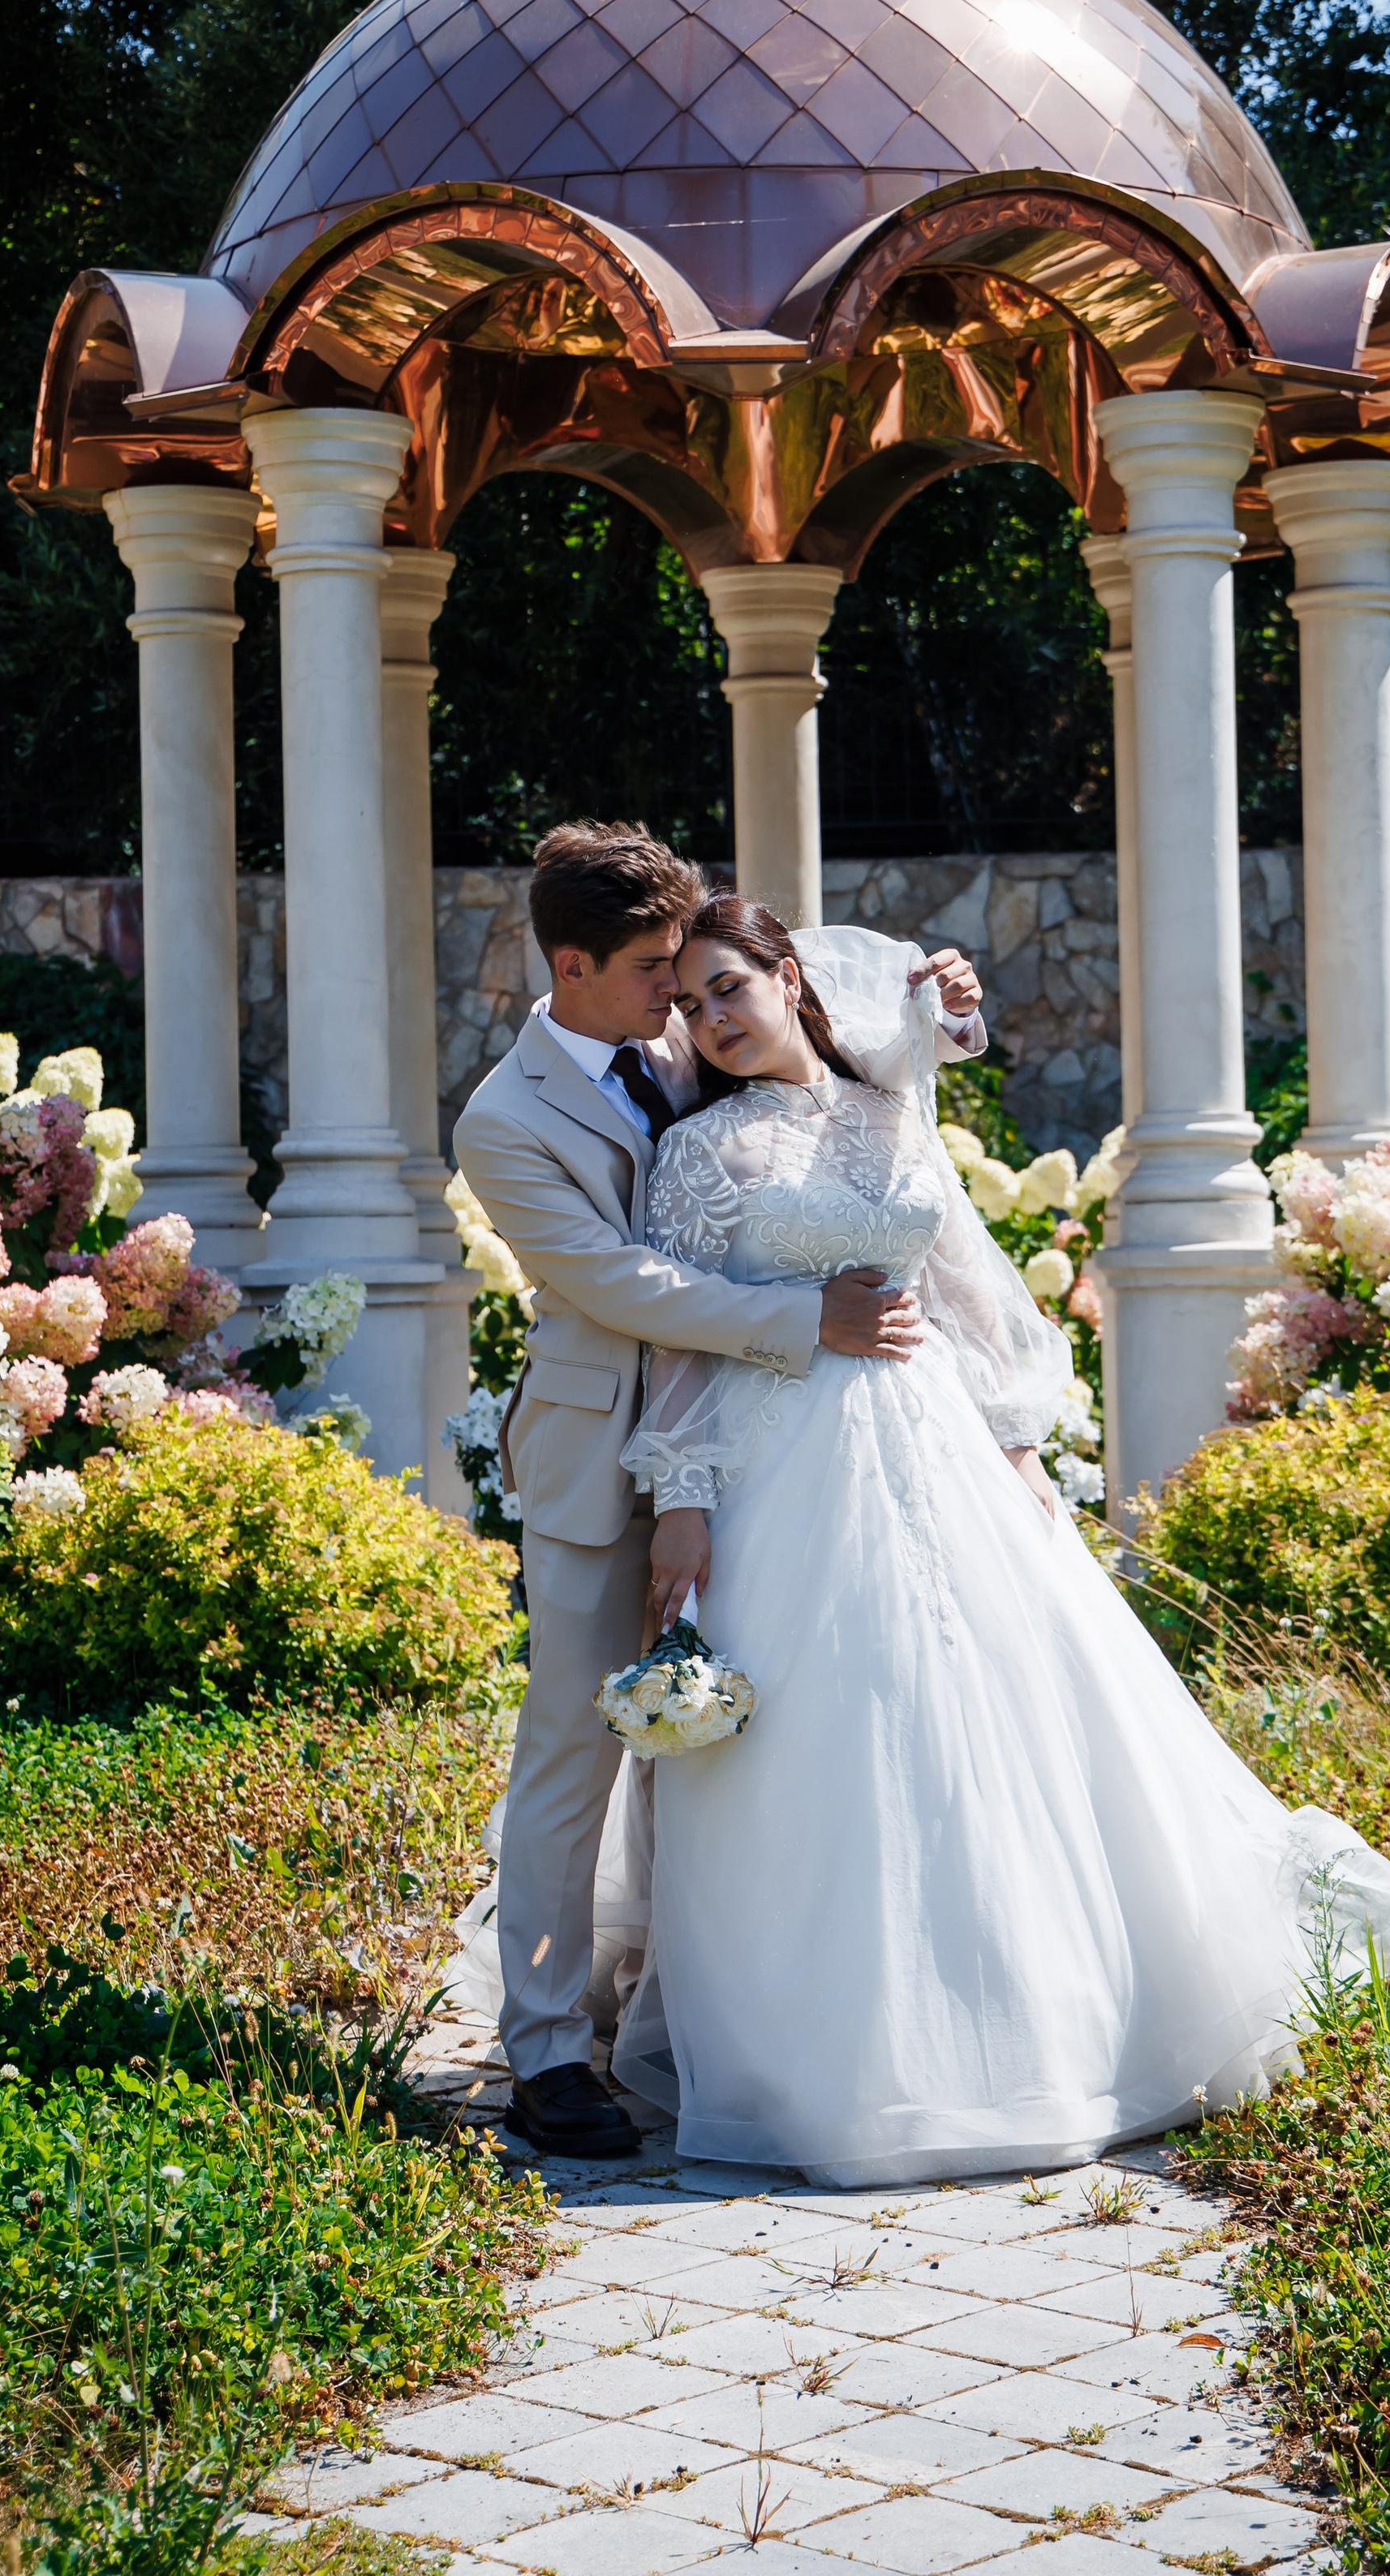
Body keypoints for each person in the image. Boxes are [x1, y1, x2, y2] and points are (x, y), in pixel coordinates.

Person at [605, 896, 1390, 2189]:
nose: (712, 1019)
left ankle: (1049, 2016)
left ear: (791, 980)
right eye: (693, 1003)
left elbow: (963, 1290)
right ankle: (828, 2062)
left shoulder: (893, 1114)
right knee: (833, 1731)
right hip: (783, 1463)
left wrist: (1017, 1447)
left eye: (731, 988)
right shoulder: (701, 1154)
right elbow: (679, 1340)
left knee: (1001, 1710)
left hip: (938, 1446)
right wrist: (683, 1502)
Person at [451, 822, 989, 2161]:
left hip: (761, 1453)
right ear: (572, 967)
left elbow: (839, 1075)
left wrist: (945, 1015)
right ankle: (546, 2053)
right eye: (653, 970)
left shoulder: (686, 1035)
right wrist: (813, 1321)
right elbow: (621, 1284)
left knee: (739, 1737)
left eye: (692, 977)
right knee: (577, 1749)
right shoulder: (505, 1118)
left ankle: (686, 1999)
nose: (680, 992)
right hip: (606, 1455)